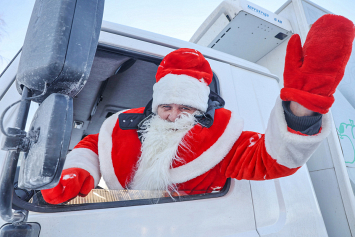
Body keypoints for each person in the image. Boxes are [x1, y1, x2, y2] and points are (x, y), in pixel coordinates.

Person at [42, 14, 355, 204]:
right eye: (166, 106)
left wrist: (302, 107)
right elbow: (93, 145)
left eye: (186, 107)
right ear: (155, 104)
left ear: (201, 108)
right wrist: (79, 169)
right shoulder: (123, 126)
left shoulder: (222, 139)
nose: (174, 115)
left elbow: (270, 161)